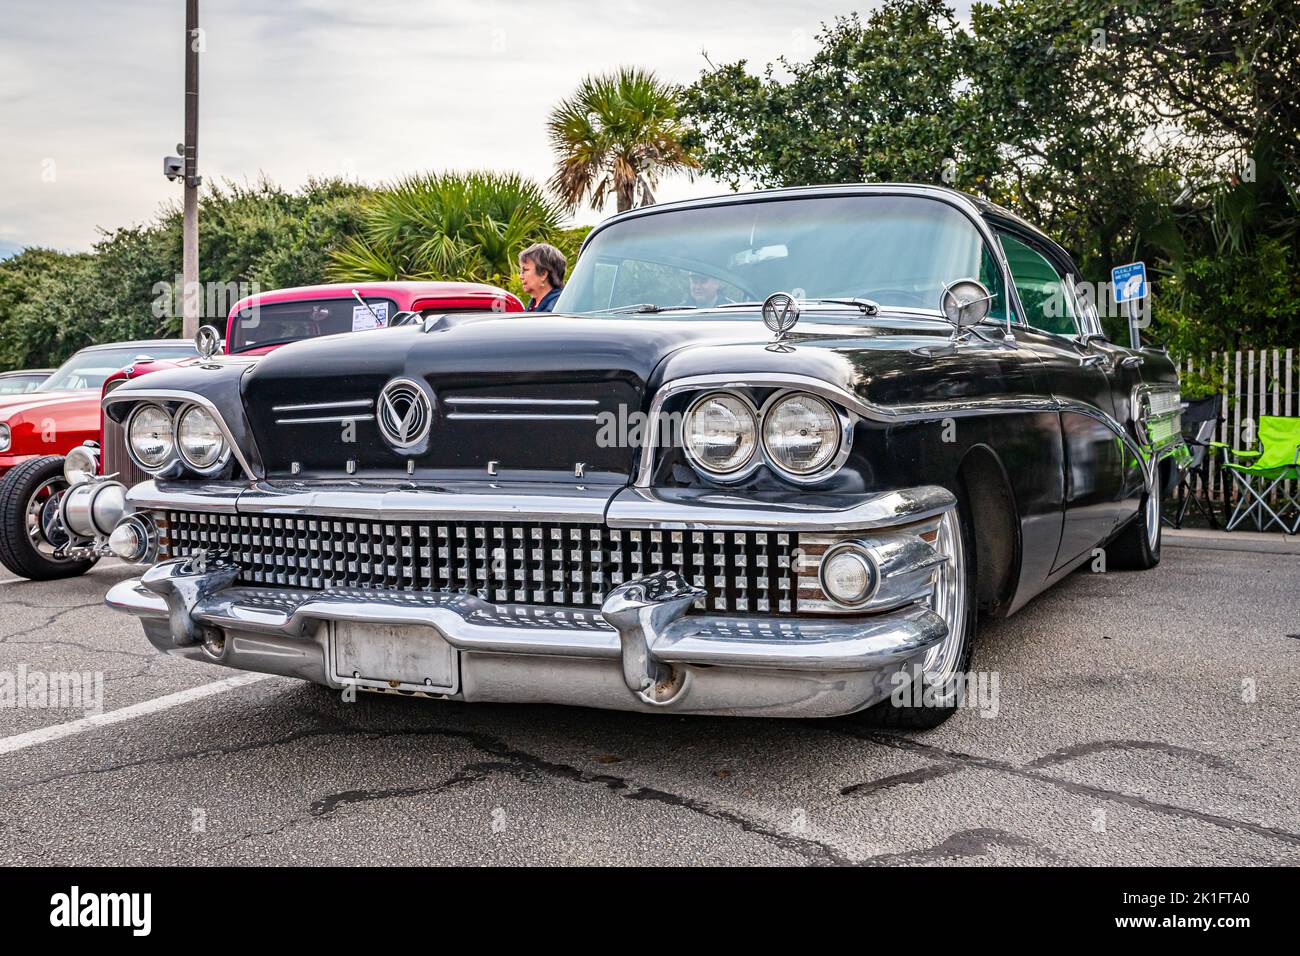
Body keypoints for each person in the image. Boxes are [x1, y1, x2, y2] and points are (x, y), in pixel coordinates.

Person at [518, 243, 567, 312]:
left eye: (525, 270)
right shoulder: (534, 305)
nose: (520, 276)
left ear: (543, 274)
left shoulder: (557, 308)